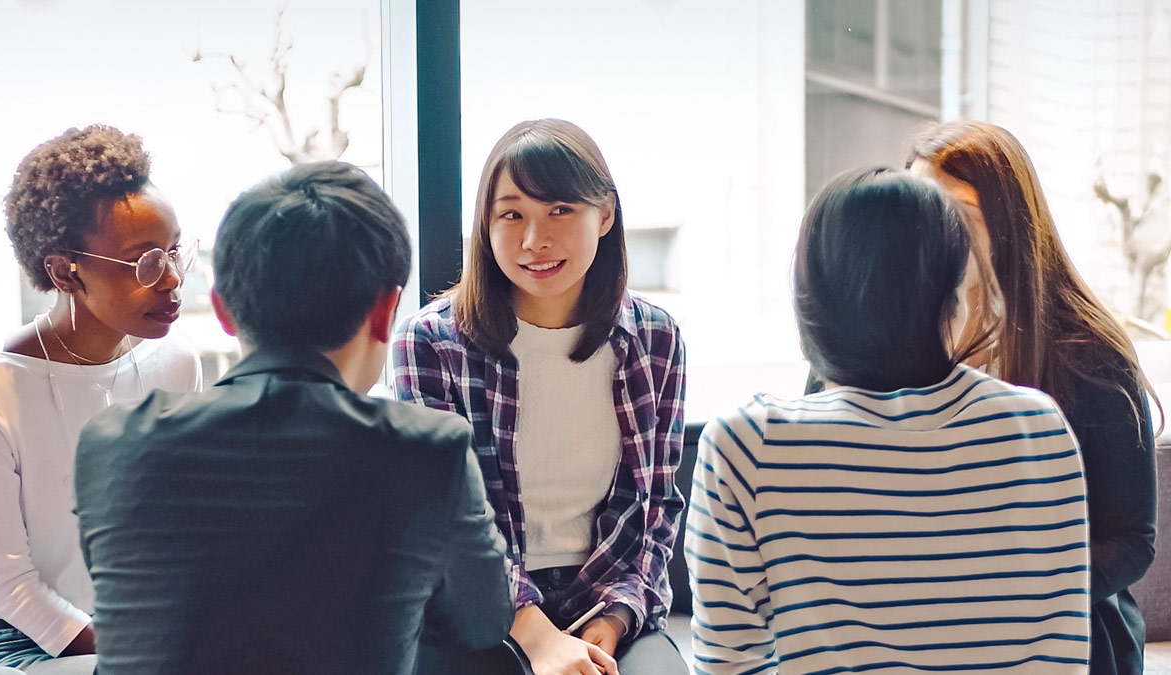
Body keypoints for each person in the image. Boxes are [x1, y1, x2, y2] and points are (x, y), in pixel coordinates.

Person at [74, 160, 513, 675]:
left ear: (223, 310)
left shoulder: (112, 443)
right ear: (385, 311)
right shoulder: (428, 451)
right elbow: (485, 623)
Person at [687, 167, 1092, 674]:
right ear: (953, 292)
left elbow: (730, 664)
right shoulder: (1039, 428)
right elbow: (1061, 653)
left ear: (810, 295)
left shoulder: (747, 444)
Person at [393, 119, 688, 675]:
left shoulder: (654, 337)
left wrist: (614, 620)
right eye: (512, 214)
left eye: (560, 211)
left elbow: (656, 510)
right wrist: (537, 636)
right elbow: (443, 523)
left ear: (605, 215)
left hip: (603, 595)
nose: (534, 240)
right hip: (475, 610)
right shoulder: (430, 342)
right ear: (485, 224)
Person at [909, 120, 1158, 675]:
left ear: (1009, 227)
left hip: (1064, 628)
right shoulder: (878, 334)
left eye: (959, 217)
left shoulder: (1088, 354)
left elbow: (1131, 540)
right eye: (918, 211)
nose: (933, 234)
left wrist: (1010, 593)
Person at [0, 125, 202, 671]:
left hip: (137, 630)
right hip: (11, 640)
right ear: (63, 271)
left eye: (174, 253)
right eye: (146, 262)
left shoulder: (176, 362)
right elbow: (7, 585)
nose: (172, 281)